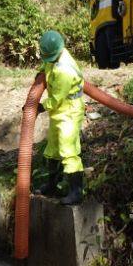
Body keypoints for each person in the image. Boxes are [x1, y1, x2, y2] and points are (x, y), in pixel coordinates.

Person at [36, 30, 86, 205]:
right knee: (53, 148)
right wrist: (42, 71)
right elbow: (49, 65)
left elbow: (57, 98)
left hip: (69, 112)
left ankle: (76, 191)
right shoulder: (56, 55)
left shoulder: (65, 70)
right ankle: (52, 185)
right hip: (59, 112)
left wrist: (40, 107)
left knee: (68, 151)